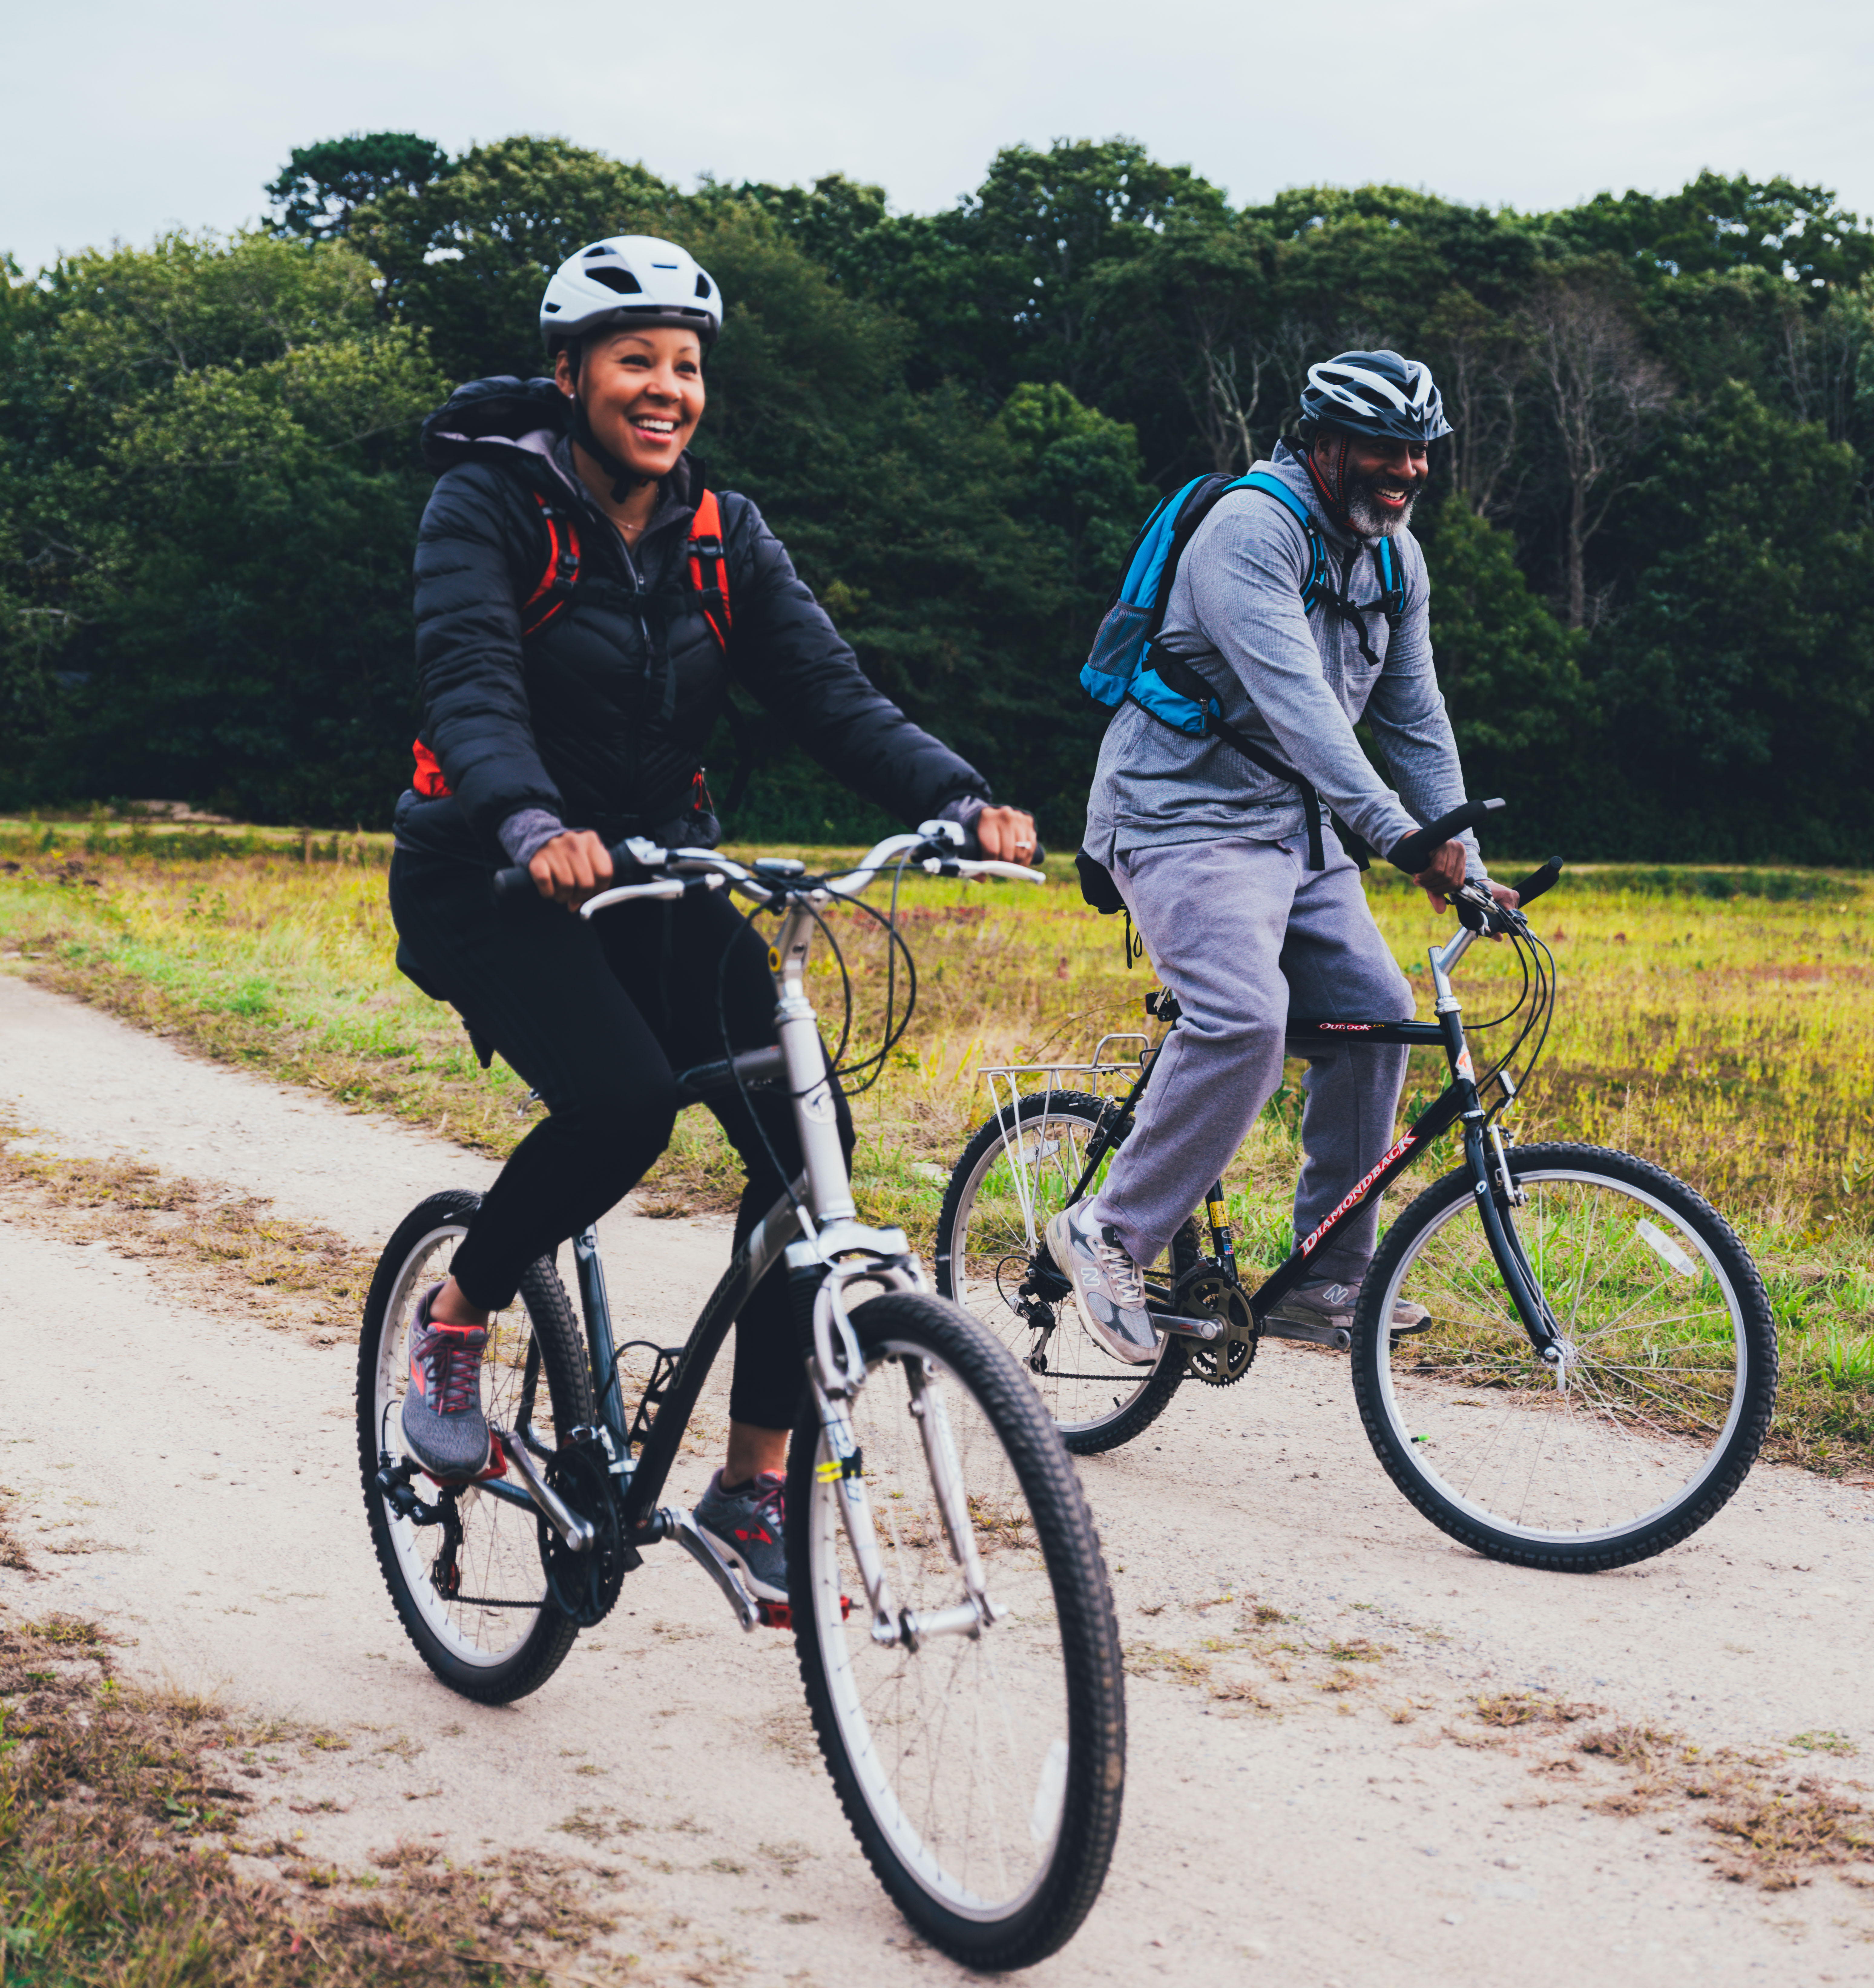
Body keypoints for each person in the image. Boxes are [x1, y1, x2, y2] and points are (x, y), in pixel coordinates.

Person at [388, 235, 1036, 1600]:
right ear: (571, 375)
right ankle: (458, 1311)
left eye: (686, 365)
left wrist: (960, 799)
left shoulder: (722, 532)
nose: (665, 386)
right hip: (489, 871)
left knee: (810, 1147)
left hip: (661, 873)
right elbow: (471, 681)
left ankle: (750, 1487)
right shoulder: (486, 507)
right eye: (636, 360)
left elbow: (832, 693)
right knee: (624, 1107)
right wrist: (525, 822)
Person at [1048, 349, 1516, 1362]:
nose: (1409, 471)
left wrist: (1465, 860)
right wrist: (1398, 836)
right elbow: (1303, 712)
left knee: (1381, 1022)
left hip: (1297, 839)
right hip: (1180, 820)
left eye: (1422, 453)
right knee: (1245, 1021)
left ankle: (1326, 1281)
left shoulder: (1396, 561)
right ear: (1326, 443)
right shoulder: (1249, 533)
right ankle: (1110, 1231)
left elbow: (1416, 719)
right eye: (1387, 450)